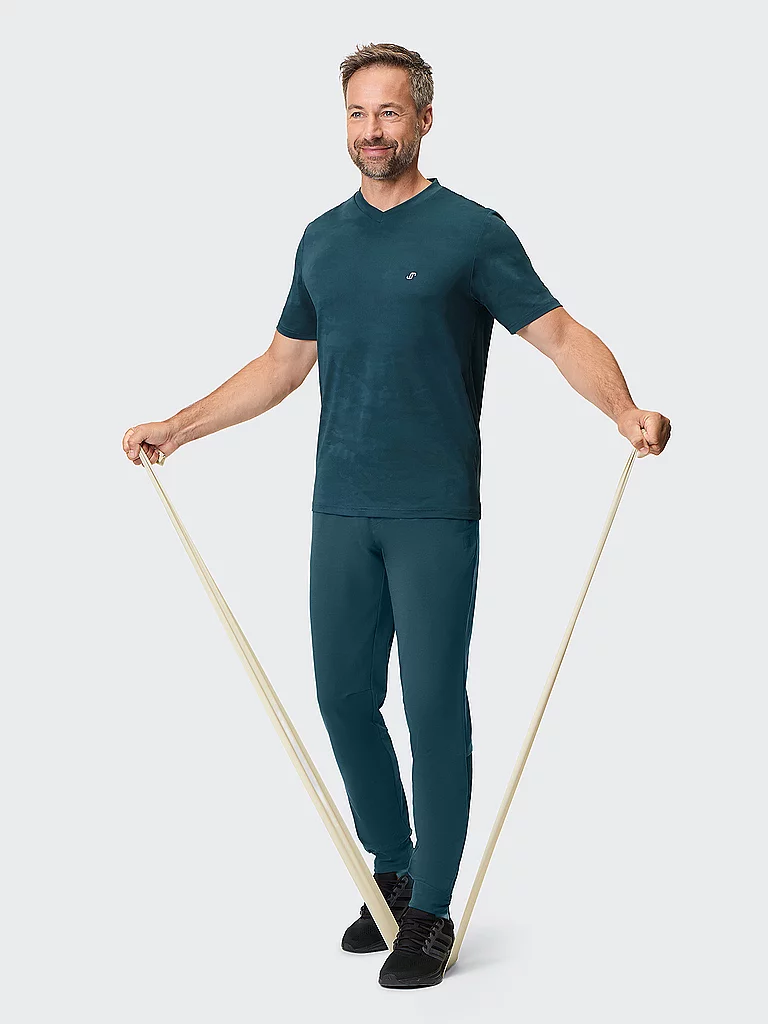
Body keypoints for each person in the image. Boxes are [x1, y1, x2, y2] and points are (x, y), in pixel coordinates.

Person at [122, 41, 672, 989]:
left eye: (387, 112)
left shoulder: (471, 232)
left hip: (433, 513)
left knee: (431, 705)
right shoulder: (322, 239)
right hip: (341, 507)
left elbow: (558, 333)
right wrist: (179, 427)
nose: (371, 131)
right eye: (356, 114)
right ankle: (395, 867)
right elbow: (281, 365)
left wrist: (624, 410)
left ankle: (431, 911)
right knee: (342, 697)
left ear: (423, 118)